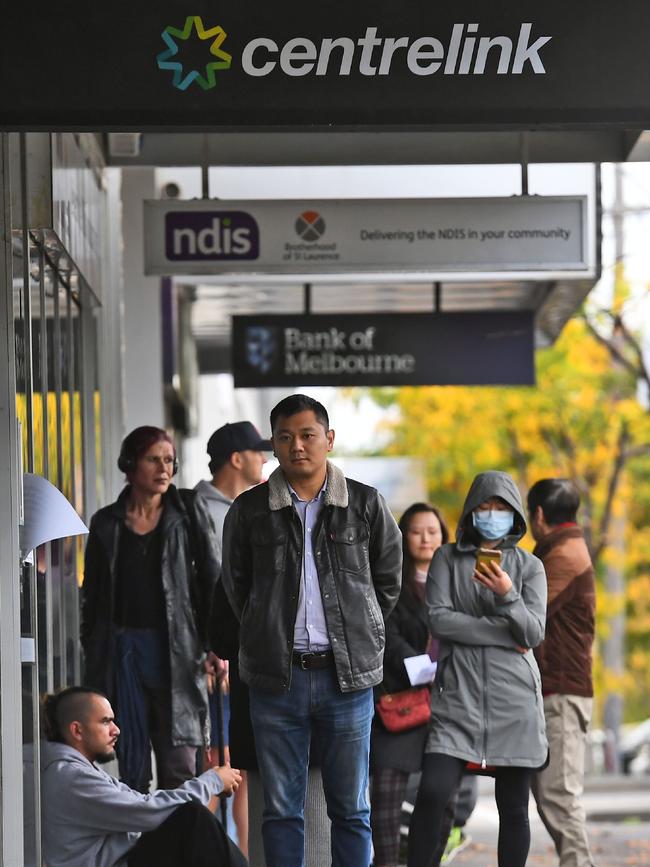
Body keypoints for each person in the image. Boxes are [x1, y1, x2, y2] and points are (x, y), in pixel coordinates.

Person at [221, 393, 402, 867]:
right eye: (285, 437)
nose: (297, 446)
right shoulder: (249, 509)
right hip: (276, 680)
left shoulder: (364, 503)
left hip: (347, 680)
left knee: (352, 808)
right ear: (274, 445)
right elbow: (237, 588)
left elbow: (387, 583)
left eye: (307, 435)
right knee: (280, 810)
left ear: (329, 440)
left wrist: (359, 635)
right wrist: (265, 631)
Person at [408, 470, 548, 867]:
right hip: (457, 698)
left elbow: (533, 632)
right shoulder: (446, 559)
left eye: (500, 508)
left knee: (514, 808)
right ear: (470, 512)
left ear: (515, 515)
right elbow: (439, 620)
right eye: (484, 507)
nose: (491, 515)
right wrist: (505, 634)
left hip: (515, 703)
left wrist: (506, 594)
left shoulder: (530, 567)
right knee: (432, 792)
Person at [81, 426, 221, 792]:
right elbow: (92, 599)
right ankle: (141, 849)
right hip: (123, 654)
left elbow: (212, 581)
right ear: (129, 465)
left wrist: (216, 645)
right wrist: (93, 652)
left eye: (170, 461)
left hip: (178, 653)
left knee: (180, 765)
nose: (164, 469)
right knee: (132, 767)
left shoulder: (188, 512)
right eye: (153, 459)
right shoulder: (105, 523)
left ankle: (181, 848)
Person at [40, 686, 246, 867]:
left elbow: (141, 807)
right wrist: (213, 781)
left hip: (124, 858)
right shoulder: (73, 777)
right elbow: (149, 810)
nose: (116, 730)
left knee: (189, 823)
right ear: (77, 730)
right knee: (192, 818)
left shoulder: (72, 770)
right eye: (105, 722)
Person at [195, 420, 271, 859]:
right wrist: (211, 646)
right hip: (209, 661)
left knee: (241, 766)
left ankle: (242, 857)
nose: (264, 461)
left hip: (243, 660)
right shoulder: (198, 511)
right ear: (236, 459)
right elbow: (204, 588)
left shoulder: (255, 508)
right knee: (213, 762)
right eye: (258, 453)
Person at [370, 502, 450, 867]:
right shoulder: (388, 580)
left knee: (441, 797)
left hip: (445, 702)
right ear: (403, 536)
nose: (425, 538)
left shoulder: (456, 581)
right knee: (386, 796)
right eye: (417, 531)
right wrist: (421, 664)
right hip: (398, 699)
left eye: (432, 531)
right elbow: (383, 632)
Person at [527, 479, 596, 867]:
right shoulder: (565, 548)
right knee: (551, 793)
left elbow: (525, 613)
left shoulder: (563, 555)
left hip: (563, 690)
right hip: (560, 689)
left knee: (558, 795)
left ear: (538, 515)